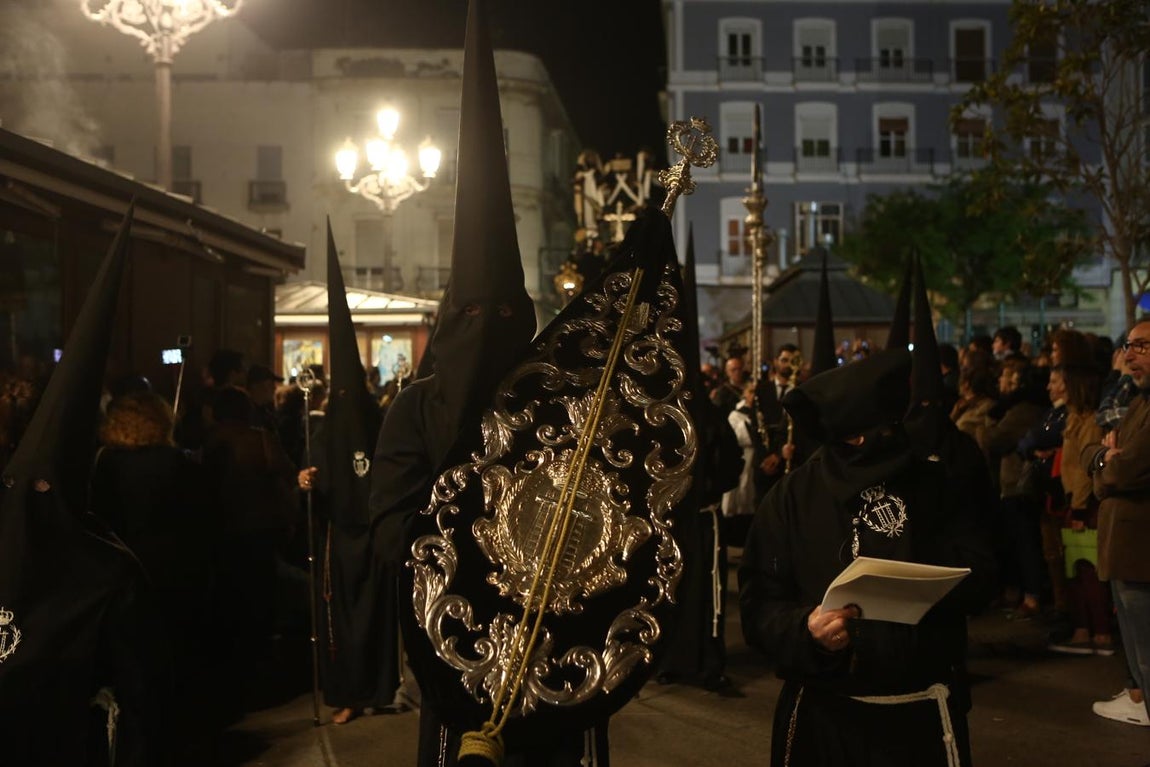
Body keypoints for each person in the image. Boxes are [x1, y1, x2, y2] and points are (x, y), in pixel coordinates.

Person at [739, 349, 997, 767]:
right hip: (823, 716)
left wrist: (927, 578)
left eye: (877, 433)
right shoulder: (791, 498)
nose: (866, 447)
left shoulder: (938, 485)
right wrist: (806, 630)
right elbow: (759, 607)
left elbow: (984, 574)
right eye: (853, 439)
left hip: (920, 713)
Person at [1082, 320, 1150, 727]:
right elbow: (1097, 450)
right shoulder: (1139, 402)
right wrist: (1104, 458)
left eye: (1142, 346)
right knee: (1139, 661)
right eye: (1129, 346)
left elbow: (1125, 471)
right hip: (1123, 551)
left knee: (1147, 656)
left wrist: (1105, 464)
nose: (1130, 355)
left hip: (1141, 555)